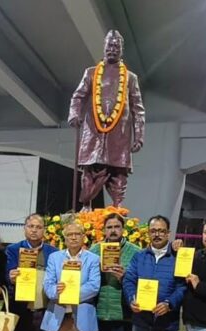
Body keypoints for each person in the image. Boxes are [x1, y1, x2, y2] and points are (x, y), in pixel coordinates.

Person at [68, 29, 145, 208]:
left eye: (116, 46)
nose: (112, 49)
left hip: (120, 135)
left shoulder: (130, 78)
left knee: (119, 172)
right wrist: (74, 114)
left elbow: (138, 109)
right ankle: (86, 207)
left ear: (122, 50)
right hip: (93, 131)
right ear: (104, 47)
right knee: (89, 170)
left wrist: (139, 137)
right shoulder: (91, 73)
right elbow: (78, 96)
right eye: (109, 46)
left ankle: (117, 209)